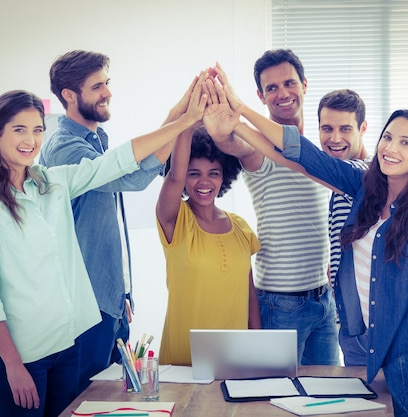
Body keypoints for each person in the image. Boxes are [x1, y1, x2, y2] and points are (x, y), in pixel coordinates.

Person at [212, 80, 408, 415]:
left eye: (405, 142)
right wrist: (238, 119)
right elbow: (302, 157)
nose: (391, 148)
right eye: (388, 137)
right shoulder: (363, 187)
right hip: (355, 340)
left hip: (402, 351)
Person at [0, 87, 205, 417]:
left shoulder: (53, 184)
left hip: (66, 347)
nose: (30, 139)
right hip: (23, 356)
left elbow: (115, 161)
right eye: (19, 129)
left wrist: (182, 121)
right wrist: (13, 365)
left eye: (37, 129)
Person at [39, 50, 182, 392]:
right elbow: (132, 180)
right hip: (85, 307)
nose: (108, 92)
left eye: (107, 83)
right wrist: (183, 122)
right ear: (70, 96)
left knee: (111, 402)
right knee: (83, 402)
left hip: (109, 303)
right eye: (97, 86)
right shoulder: (64, 149)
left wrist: (122, 294)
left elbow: (107, 226)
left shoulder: (96, 143)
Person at [203, 50, 340, 366]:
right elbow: (231, 143)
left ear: (304, 84)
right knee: (276, 399)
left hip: (324, 300)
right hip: (282, 305)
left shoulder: (323, 147)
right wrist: (222, 129)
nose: (282, 93)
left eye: (289, 83)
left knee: (327, 400)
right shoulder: (260, 149)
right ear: (260, 97)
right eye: (271, 88)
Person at [155, 120, 261, 365]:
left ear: (224, 176)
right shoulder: (175, 220)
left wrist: (257, 346)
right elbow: (173, 177)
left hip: (235, 357)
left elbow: (250, 294)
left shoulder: (240, 227)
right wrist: (189, 123)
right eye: (194, 174)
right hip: (185, 358)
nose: (204, 182)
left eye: (213, 173)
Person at [315, 89, 371, 366]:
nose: (334, 138)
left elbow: (301, 160)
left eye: (345, 129)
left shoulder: (362, 173)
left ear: (363, 128)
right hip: (349, 320)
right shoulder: (344, 183)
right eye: (327, 128)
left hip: (367, 327)